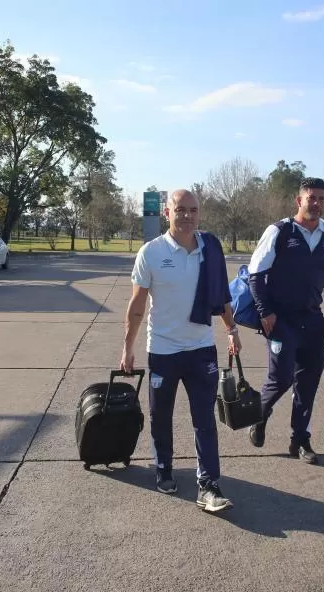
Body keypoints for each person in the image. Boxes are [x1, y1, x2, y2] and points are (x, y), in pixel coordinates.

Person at [121, 188, 241, 513]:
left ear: (199, 213)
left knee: (204, 419)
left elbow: (221, 296)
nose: (187, 215)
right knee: (161, 417)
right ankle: (164, 468)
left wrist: (232, 329)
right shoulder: (151, 252)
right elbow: (136, 306)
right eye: (180, 209)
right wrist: (127, 348)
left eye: (193, 210)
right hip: (163, 351)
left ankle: (209, 485)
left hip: (201, 349)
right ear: (167, 213)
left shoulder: (210, 249)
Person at [245, 177, 324, 465]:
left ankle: (300, 439)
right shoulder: (279, 231)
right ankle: (259, 415)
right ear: (298, 201)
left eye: (321, 199)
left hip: (314, 323)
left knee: (308, 383)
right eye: (311, 198)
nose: (316, 203)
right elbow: (255, 275)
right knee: (282, 378)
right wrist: (265, 312)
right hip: (281, 321)